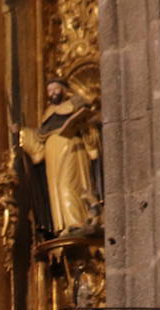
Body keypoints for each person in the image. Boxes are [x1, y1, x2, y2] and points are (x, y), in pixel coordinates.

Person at [18, 78, 101, 236]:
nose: (52, 93)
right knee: (57, 187)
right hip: (52, 155)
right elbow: (39, 141)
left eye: (56, 89)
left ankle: (77, 221)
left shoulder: (75, 104)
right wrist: (22, 132)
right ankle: (63, 224)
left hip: (71, 148)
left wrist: (81, 125)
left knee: (69, 185)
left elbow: (90, 128)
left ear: (64, 90)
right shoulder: (47, 114)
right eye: (49, 91)